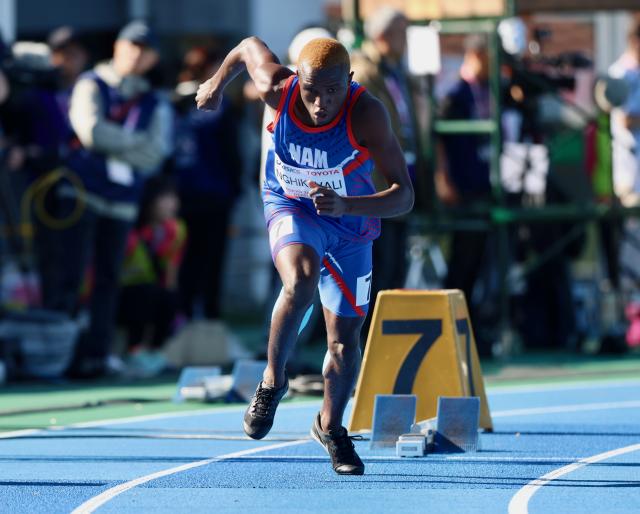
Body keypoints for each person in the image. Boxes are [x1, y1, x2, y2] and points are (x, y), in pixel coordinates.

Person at [196, 36, 413, 475]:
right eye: (311, 90)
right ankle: (274, 380)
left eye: (332, 91)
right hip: (292, 205)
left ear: (349, 82)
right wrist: (217, 82)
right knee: (300, 278)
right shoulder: (277, 86)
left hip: (350, 223)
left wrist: (347, 205)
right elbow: (246, 46)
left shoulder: (367, 113)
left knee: (343, 340)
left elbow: (404, 196)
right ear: (297, 79)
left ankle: (331, 427)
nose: (319, 103)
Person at [53, 20, 173, 378]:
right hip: (80, 196)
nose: (136, 55)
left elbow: (157, 153)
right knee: (70, 276)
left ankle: (98, 354)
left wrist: (115, 142)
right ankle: (61, 355)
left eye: (144, 50)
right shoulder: (91, 83)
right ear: (117, 47)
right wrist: (133, 142)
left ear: (152, 59)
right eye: (130, 46)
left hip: (122, 201)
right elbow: (90, 132)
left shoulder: (154, 100)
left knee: (109, 280)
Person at [351, 7, 425, 303]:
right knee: (379, 268)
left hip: (397, 179)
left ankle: (383, 338)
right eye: (401, 32)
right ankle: (367, 340)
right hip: (375, 185)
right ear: (383, 35)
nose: (406, 39)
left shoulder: (397, 72)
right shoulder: (366, 71)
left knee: (395, 268)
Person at [172, 46, 242, 321]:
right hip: (215, 194)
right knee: (211, 261)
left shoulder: (173, 102)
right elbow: (232, 152)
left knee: (185, 260)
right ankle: (209, 317)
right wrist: (237, 186)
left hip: (181, 195)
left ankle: (185, 314)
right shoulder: (218, 104)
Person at [436, 34, 494, 356]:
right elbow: (441, 142)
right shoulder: (455, 94)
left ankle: (470, 327)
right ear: (476, 54)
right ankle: (450, 328)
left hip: (482, 186)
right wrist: (444, 180)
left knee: (479, 263)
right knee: (461, 261)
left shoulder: (488, 90)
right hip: (462, 189)